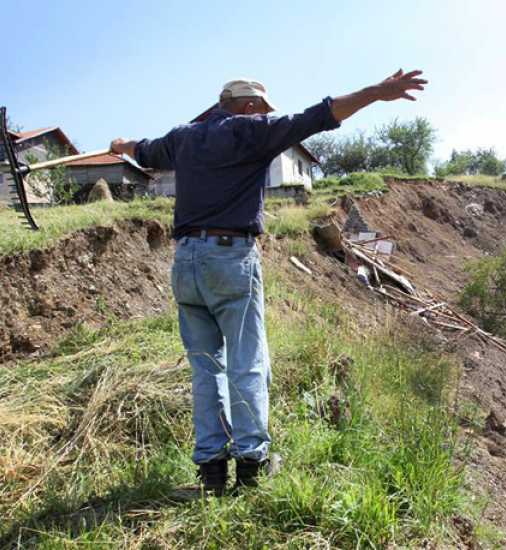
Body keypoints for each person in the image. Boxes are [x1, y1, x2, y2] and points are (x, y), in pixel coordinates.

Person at [110, 69, 427, 495]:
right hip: (229, 257)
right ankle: (252, 466)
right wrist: (375, 92)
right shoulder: (252, 132)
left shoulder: (183, 137)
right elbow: (320, 116)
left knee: (206, 368)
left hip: (185, 261)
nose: (265, 116)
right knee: (246, 361)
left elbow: (143, 152)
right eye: (262, 109)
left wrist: (120, 146)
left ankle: (211, 472)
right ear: (248, 106)